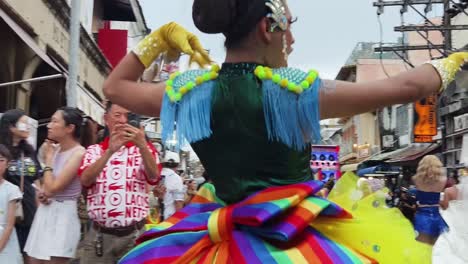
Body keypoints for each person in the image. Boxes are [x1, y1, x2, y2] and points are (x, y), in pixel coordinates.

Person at [103, 0, 468, 262]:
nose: (290, 40)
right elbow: (408, 88)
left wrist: (160, 39)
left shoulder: (190, 89)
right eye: (288, 25)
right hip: (293, 241)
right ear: (267, 28)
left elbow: (115, 89)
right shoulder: (294, 89)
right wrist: (459, 56)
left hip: (212, 238)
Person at [78, 101, 160, 264]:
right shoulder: (94, 151)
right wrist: (110, 151)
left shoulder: (145, 149)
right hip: (99, 237)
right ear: (106, 119)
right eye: (117, 115)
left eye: (127, 116)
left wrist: (143, 145)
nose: (123, 120)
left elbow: (153, 177)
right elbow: (85, 180)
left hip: (135, 236)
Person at [23, 107, 87, 263]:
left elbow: (53, 188)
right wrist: (42, 193)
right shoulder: (54, 149)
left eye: (54, 121)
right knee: (32, 259)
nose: (49, 125)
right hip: (46, 211)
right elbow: (47, 185)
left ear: (70, 128)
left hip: (64, 214)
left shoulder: (78, 153)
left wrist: (49, 159)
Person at [0, 109, 42, 262]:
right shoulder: (1, 151)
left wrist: (40, 211)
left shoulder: (29, 151)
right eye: (24, 123)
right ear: (11, 126)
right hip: (4, 210)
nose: (28, 126)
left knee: (29, 254)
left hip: (28, 210)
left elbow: (37, 182)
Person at [432, 167, 468, 263]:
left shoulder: (449, 190)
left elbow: (445, 206)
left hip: (452, 217)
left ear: (453, 179)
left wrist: (438, 201)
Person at [411, 155, 448, 245]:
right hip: (436, 217)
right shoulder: (443, 180)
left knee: (422, 248)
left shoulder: (416, 179)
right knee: (434, 249)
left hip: (422, 217)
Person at [0, 145, 23, 264]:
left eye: (1, 160)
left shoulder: (11, 189)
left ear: (7, 164)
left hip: (5, 238)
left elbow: (9, 225)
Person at [159, 151, 185, 220]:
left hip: (155, 216)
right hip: (170, 217)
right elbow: (178, 202)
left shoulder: (156, 175)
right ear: (177, 164)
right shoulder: (176, 178)